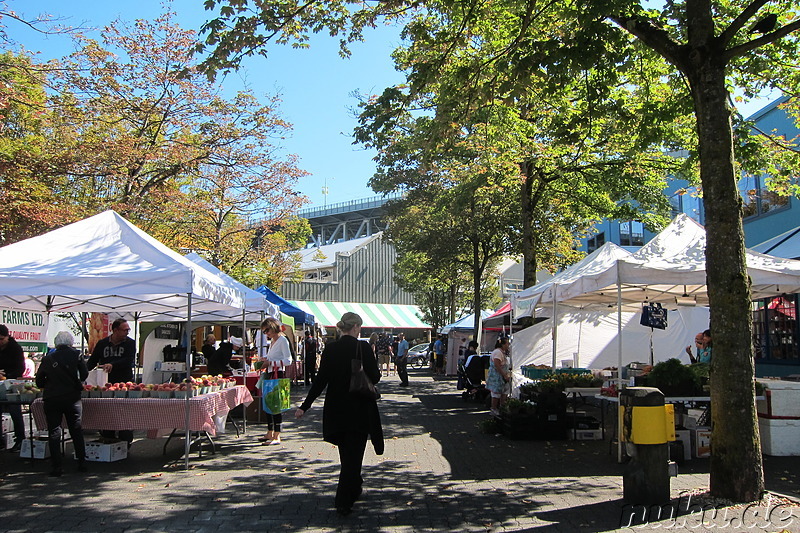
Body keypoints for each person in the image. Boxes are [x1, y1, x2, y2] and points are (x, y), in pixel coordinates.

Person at [295, 312, 383, 517]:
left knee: (347, 454)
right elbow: (376, 378)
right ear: (355, 327)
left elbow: (320, 380)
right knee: (354, 455)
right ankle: (343, 499)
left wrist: (304, 406)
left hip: (336, 409)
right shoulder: (362, 348)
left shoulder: (331, 349)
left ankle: (354, 485)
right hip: (359, 409)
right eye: (359, 328)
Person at [34, 331, 89, 477]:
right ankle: (82, 462)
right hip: (72, 397)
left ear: (56, 343)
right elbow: (84, 374)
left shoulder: (48, 358)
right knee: (76, 429)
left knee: (54, 431)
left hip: (52, 398)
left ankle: (57, 466)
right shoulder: (76, 354)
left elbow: (39, 381)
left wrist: (50, 383)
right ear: (71, 342)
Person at [87, 318, 136, 446]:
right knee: (107, 413)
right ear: (115, 330)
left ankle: (125, 441)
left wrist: (112, 365)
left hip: (124, 384)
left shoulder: (130, 343)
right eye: (125, 330)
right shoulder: (102, 343)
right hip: (106, 385)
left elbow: (128, 360)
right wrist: (83, 373)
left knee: (123, 414)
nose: (127, 332)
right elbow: (92, 361)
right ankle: (109, 439)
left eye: (128, 330)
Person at [258, 317, 292, 445]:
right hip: (270, 373)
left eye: (266, 330)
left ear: (273, 328)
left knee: (275, 404)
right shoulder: (273, 341)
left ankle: (277, 435)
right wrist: (265, 359)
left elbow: (289, 360)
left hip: (278, 374)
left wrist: (270, 362)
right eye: (264, 332)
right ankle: (270, 431)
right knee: (268, 402)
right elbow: (273, 357)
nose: (266, 333)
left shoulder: (282, 340)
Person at [0, 324, 25, 451]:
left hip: (13, 385)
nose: (0, 342)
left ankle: (20, 439)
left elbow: (21, 368)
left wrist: (8, 375)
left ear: (7, 337)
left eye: (1, 339)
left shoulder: (15, 348)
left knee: (15, 412)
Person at [486, 337, 511, 416]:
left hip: (502, 377)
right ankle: (493, 409)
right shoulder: (498, 352)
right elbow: (497, 365)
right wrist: (504, 375)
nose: (508, 345)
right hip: (497, 377)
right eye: (507, 343)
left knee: (504, 392)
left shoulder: (501, 352)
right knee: (496, 394)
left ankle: (502, 408)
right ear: (503, 344)